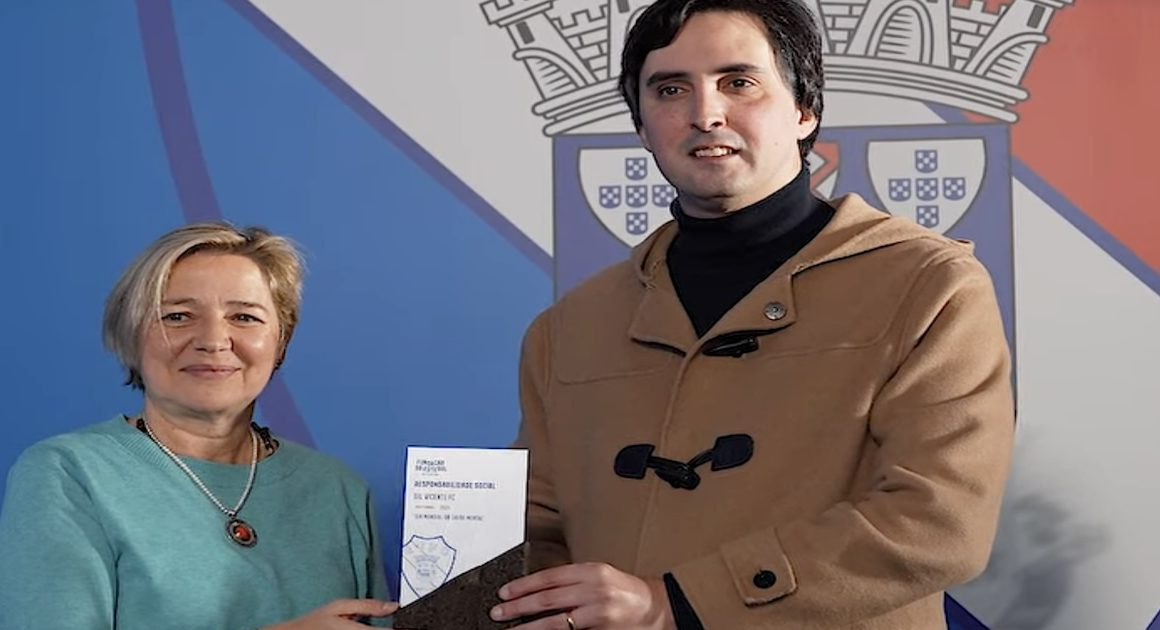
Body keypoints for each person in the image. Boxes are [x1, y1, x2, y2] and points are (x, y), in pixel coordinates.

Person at [488, 1, 1015, 628]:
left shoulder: (930, 287)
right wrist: (455, 603)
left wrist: (674, 602)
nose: (705, 114)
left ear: (804, 110)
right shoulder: (569, 328)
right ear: (641, 126)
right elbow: (539, 534)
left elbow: (937, 523)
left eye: (738, 82)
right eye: (670, 89)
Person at [0, 223, 396, 629]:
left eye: (244, 316)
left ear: (280, 341)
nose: (213, 340)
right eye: (177, 316)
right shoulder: (68, 473)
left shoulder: (339, 490)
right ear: (132, 335)